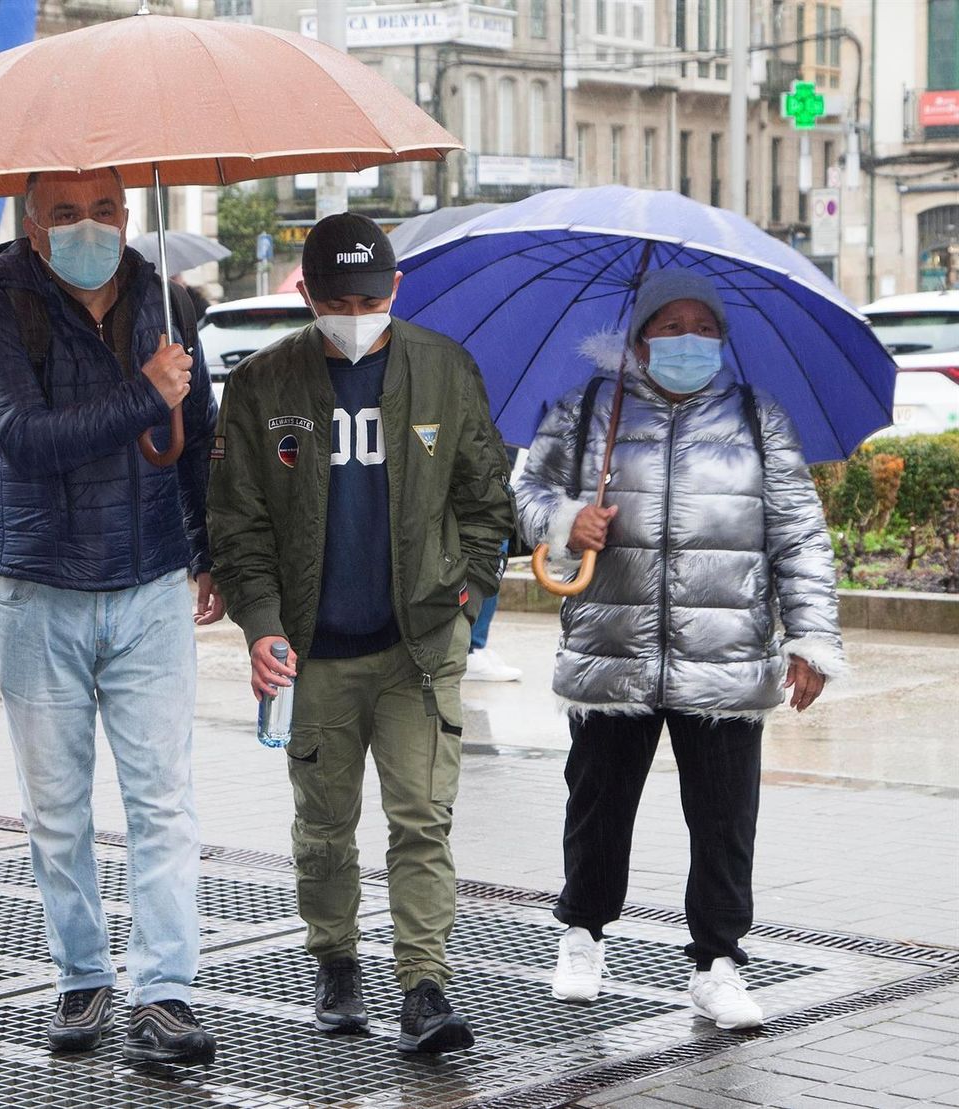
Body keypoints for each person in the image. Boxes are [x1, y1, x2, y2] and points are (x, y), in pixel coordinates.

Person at [208, 212, 514, 1054]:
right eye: (338, 299)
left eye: (369, 298)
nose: (356, 313)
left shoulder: (444, 371)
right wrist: (262, 627)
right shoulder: (263, 385)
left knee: (422, 817)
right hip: (315, 653)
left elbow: (489, 504)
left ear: (396, 292)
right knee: (325, 823)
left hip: (418, 647)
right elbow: (238, 527)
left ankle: (424, 983)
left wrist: (464, 602)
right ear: (305, 294)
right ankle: (336, 960)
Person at [514, 268, 845, 1031]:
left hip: (726, 656)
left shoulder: (760, 420)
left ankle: (718, 963)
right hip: (611, 648)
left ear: (721, 339)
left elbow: (799, 535)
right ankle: (581, 935)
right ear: (640, 337)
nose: (688, 338)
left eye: (703, 326)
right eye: (671, 325)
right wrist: (568, 518)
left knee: (725, 817)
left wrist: (811, 637)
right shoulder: (588, 409)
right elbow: (525, 493)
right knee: (598, 805)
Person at [0, 168, 221, 1065]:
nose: (90, 228)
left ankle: (167, 990)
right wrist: (146, 394)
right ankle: (81, 973)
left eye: (105, 210)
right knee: (57, 807)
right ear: (34, 229)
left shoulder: (171, 306)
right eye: (65, 214)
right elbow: (24, 439)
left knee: (162, 801)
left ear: (129, 214)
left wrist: (210, 550)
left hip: (149, 583)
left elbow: (204, 436)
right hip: (37, 588)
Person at [464, 446, 525, 682]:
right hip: (482, 475)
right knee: (487, 554)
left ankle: (476, 645)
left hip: (497, 466)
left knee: (496, 553)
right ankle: (469, 648)